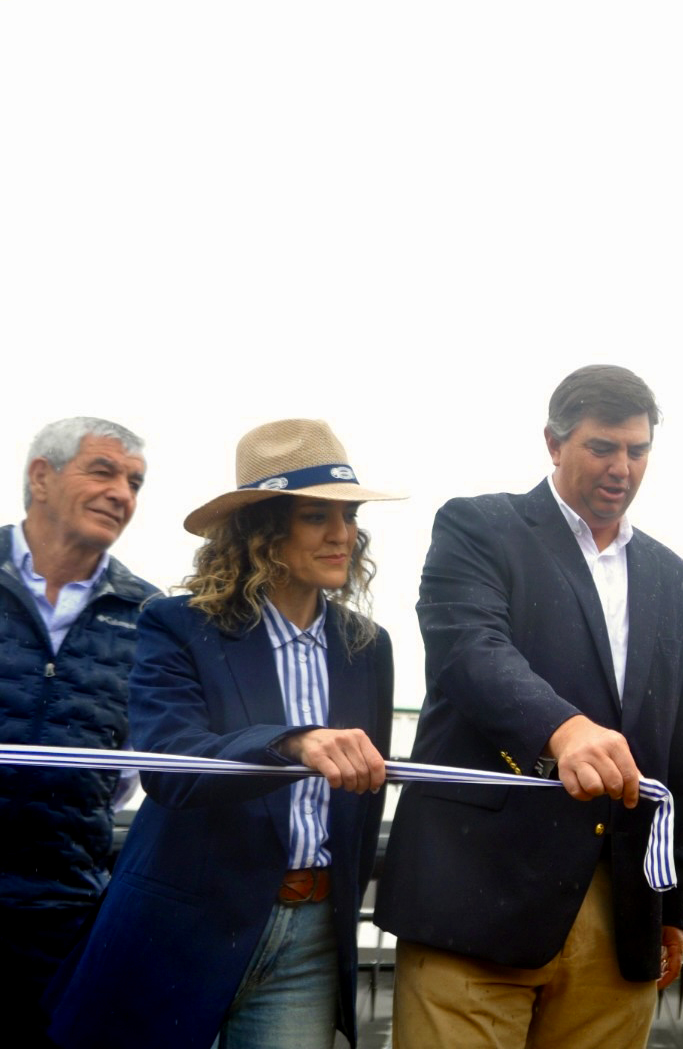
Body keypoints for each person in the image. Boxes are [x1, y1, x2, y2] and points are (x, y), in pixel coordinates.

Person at [47, 418, 401, 1049]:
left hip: (313, 939)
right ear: (263, 529)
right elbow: (169, 767)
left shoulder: (367, 648)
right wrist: (292, 741)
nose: (343, 535)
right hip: (184, 926)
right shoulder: (179, 624)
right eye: (317, 517)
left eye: (349, 517)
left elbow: (362, 796)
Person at [376, 365, 683, 1049]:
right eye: (602, 447)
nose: (622, 467)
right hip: (476, 897)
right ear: (553, 443)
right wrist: (565, 730)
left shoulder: (675, 578)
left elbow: (677, 748)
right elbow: (469, 652)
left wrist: (675, 908)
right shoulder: (478, 526)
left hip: (621, 918)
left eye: (637, 451)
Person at [0, 416, 156, 1047]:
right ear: (42, 476)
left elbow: (129, 771)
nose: (123, 493)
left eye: (135, 482)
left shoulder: (149, 614)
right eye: (103, 471)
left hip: (61, 914)